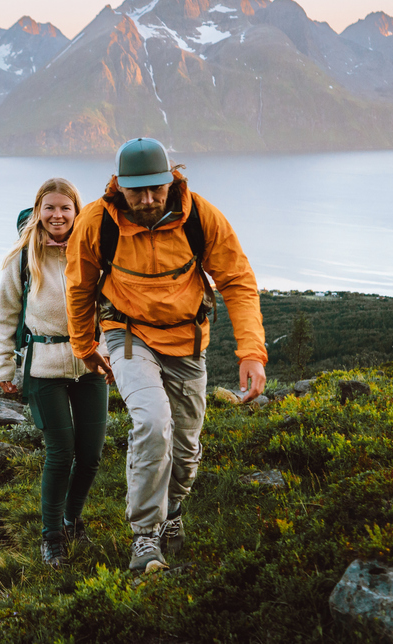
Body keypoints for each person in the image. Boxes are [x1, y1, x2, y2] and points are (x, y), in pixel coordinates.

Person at [65, 138, 267, 573]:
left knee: (186, 446)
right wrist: (85, 346)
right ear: (120, 186)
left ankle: (172, 513)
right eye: (137, 191)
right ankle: (145, 537)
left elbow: (237, 280)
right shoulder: (97, 221)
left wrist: (251, 352)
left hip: (188, 342)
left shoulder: (202, 217)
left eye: (155, 188)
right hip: (128, 334)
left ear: (171, 179)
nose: (148, 199)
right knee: (152, 422)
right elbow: (79, 285)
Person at [0, 177, 113, 569]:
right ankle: (52, 538)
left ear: (77, 212)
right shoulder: (22, 258)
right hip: (43, 369)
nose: (57, 215)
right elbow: (6, 315)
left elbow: (111, 310)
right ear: (38, 211)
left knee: (91, 455)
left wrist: (111, 354)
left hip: (90, 365)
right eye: (50, 208)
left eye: (65, 208)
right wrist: (3, 366)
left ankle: (71, 518)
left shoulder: (92, 252)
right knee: (61, 455)